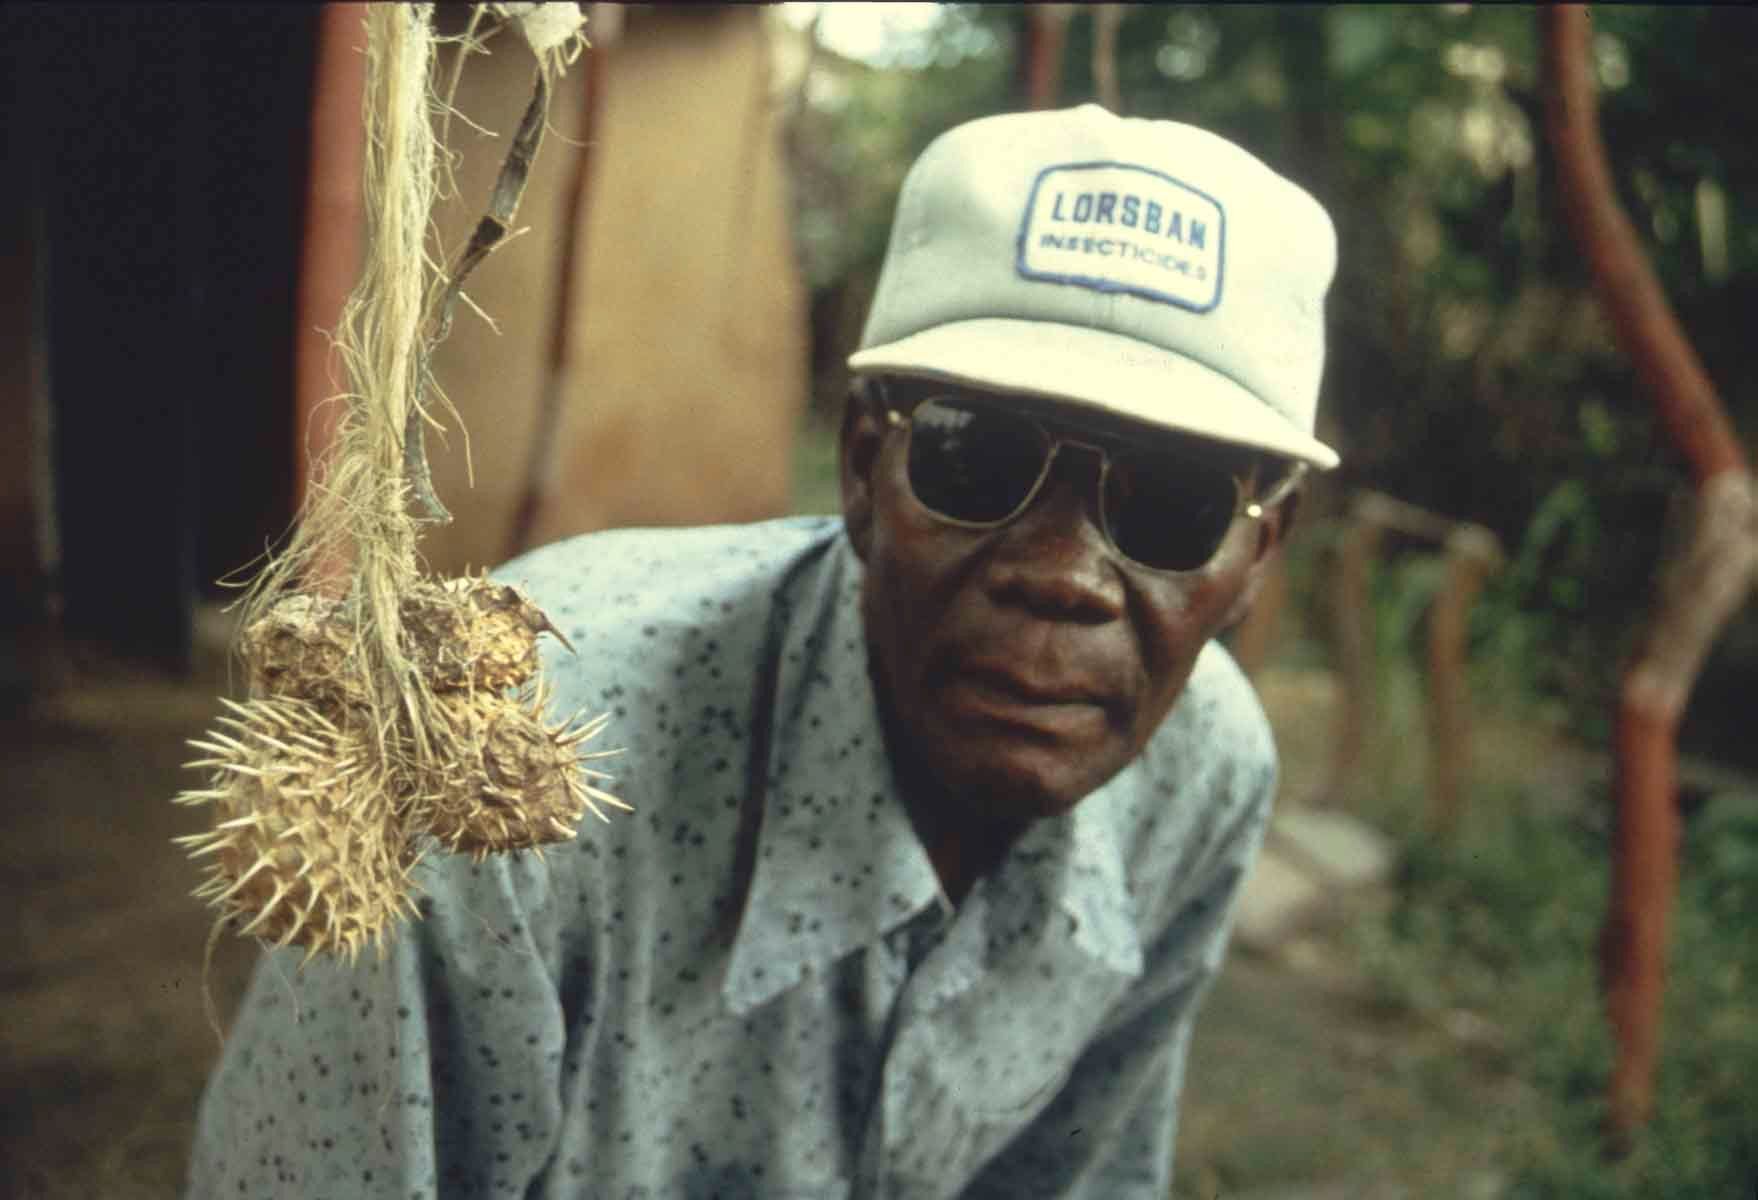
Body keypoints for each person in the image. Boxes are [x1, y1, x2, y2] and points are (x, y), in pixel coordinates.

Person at [186, 103, 1338, 1199]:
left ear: (1259, 553)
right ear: (861, 468)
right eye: (976, 460)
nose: (1063, 574)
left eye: (1174, 507)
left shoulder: (1200, 777)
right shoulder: (504, 778)